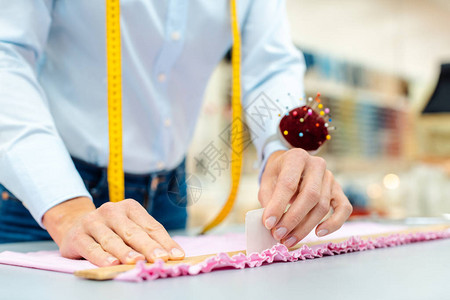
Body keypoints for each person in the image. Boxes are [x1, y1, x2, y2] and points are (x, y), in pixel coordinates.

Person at [0, 0, 352, 266]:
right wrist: (66, 210)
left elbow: (269, 65)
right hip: (42, 199)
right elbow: (6, 53)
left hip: (167, 197)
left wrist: (281, 152)